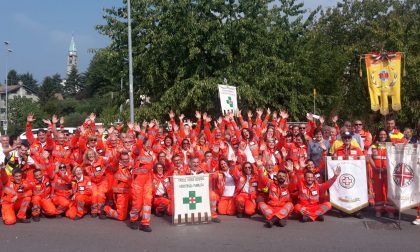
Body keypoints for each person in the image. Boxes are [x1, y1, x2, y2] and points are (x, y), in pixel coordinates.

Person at [367, 129, 395, 218]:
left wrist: (387, 168)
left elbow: (395, 158)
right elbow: (369, 157)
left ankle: (390, 210)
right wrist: (374, 167)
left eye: (384, 134)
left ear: (387, 136)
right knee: (378, 191)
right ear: (378, 135)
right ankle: (379, 210)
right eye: (381, 134)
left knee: (388, 191)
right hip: (377, 172)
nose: (382, 136)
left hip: (388, 172)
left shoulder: (391, 146)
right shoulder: (373, 146)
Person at [257, 161, 293, 228]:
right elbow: (262, 178)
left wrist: (291, 171)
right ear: (276, 176)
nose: (281, 177)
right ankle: (280, 219)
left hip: (282, 209)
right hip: (271, 208)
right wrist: (259, 167)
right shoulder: (271, 183)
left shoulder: (288, 186)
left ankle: (273, 219)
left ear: (285, 178)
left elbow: (295, 180)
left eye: (283, 176)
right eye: (279, 176)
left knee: (290, 205)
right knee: (260, 204)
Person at [104, 151, 133, 221]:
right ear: (120, 160)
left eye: (127, 159)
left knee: (140, 212)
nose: (126, 161)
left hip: (130, 193)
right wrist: (118, 153)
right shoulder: (116, 167)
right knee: (121, 217)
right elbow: (115, 162)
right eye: (124, 160)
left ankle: (130, 211)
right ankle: (105, 209)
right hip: (120, 194)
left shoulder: (131, 167)